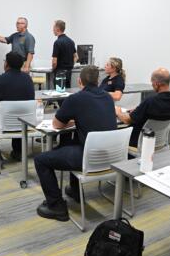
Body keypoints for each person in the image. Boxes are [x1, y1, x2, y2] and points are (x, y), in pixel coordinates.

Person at [34, 65, 117, 221]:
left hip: (89, 158)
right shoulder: (107, 97)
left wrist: (71, 121)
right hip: (110, 157)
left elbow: (57, 125)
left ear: (80, 81)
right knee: (74, 141)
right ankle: (75, 191)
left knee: (41, 160)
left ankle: (56, 206)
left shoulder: (75, 99)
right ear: (98, 81)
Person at [115, 68, 170, 147]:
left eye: (152, 83)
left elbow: (127, 120)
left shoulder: (151, 101)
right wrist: (139, 110)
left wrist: (118, 112)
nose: (152, 85)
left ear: (157, 84)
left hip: (137, 140)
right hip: (158, 141)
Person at [52, 20, 77, 89]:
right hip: (69, 72)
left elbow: (54, 62)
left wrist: (53, 69)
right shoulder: (71, 41)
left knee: (59, 93)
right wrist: (71, 65)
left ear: (57, 28)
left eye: (53, 27)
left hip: (59, 72)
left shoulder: (57, 42)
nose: (52, 29)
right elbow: (76, 57)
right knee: (67, 92)